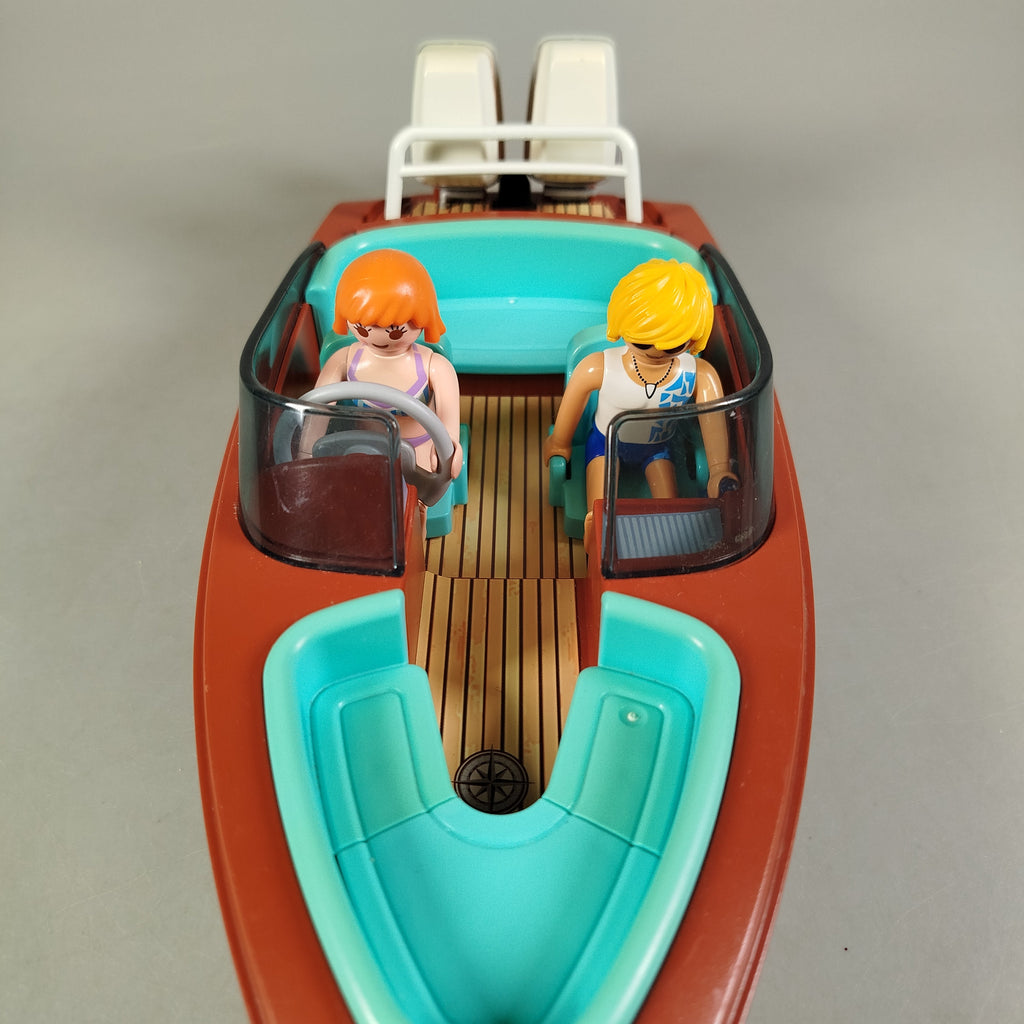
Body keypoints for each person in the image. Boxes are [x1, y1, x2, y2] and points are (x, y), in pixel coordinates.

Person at [543, 258, 738, 543]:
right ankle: (598, 543)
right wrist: (559, 442)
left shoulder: (698, 375)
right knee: (599, 514)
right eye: (644, 341)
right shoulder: (598, 367)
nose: (656, 351)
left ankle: (668, 551)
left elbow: (713, 420)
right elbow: (573, 403)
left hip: (657, 448)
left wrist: (719, 470)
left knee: (671, 516)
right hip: (605, 445)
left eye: (672, 344)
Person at [311, 248, 463, 479]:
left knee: (417, 494)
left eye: (395, 331)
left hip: (418, 449)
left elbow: (448, 422)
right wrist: (307, 449)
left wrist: (448, 448)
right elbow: (316, 413)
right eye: (362, 328)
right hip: (360, 446)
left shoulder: (435, 367)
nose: (377, 337)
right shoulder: (344, 360)